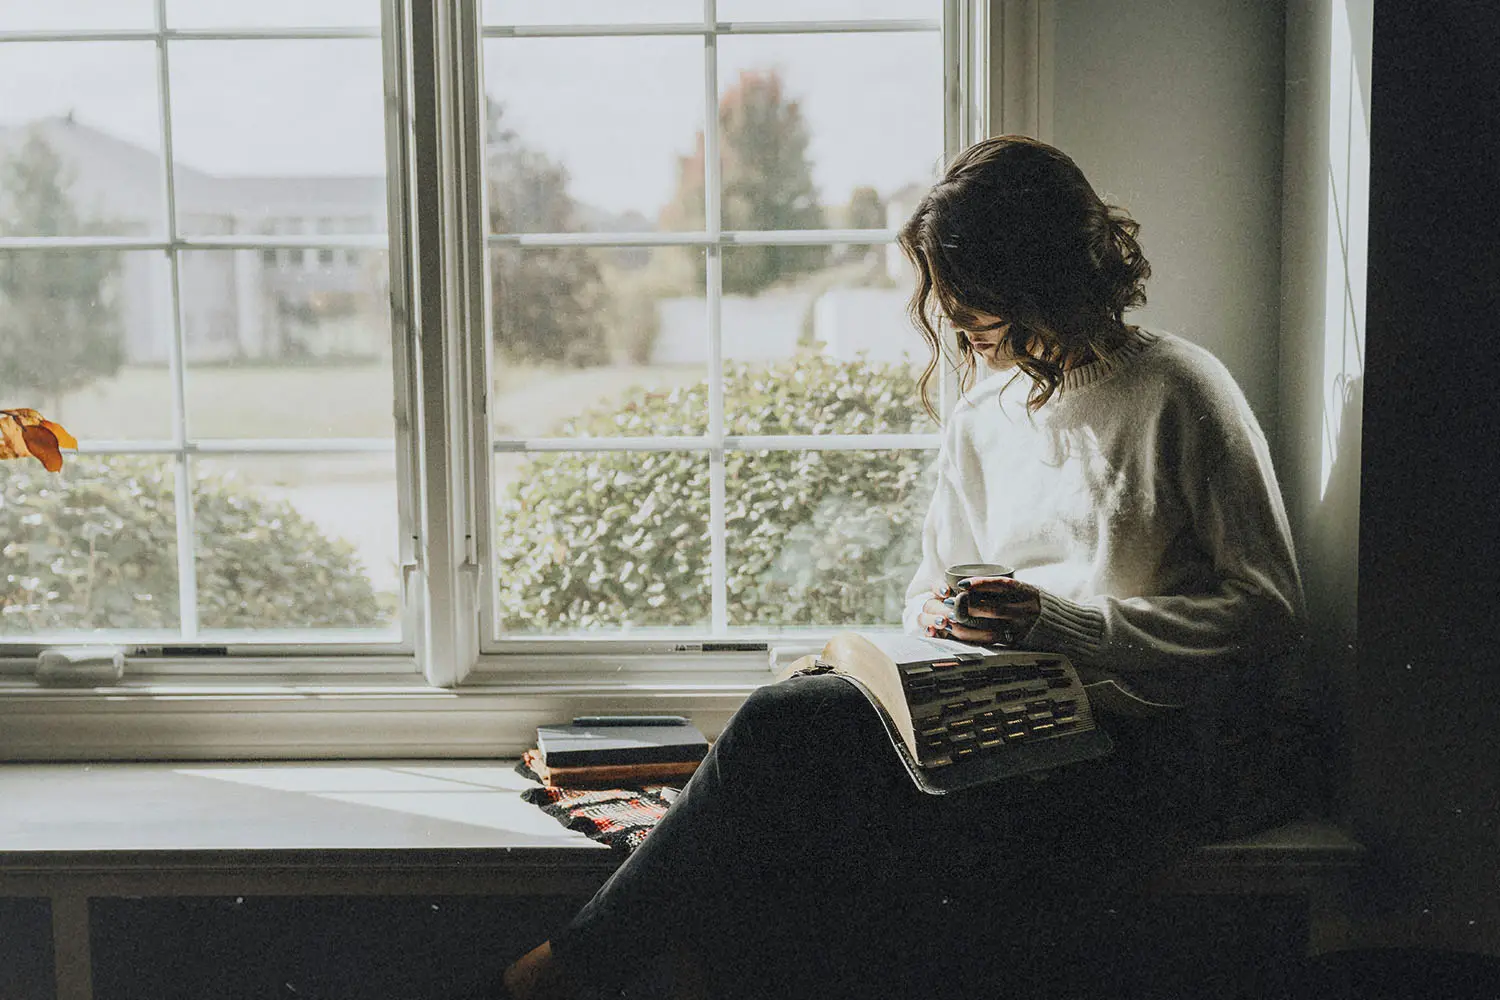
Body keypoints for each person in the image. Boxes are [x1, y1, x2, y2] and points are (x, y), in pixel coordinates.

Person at [490, 136, 1311, 1000]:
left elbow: (1268, 608)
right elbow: (928, 591)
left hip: (1140, 742)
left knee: (789, 751)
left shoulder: (1180, 391)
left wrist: (1061, 624)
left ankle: (573, 970)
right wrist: (952, 617)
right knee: (798, 762)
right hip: (1000, 722)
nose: (958, 332)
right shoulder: (986, 415)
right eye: (947, 307)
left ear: (1046, 281)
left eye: (979, 311)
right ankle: (614, 968)